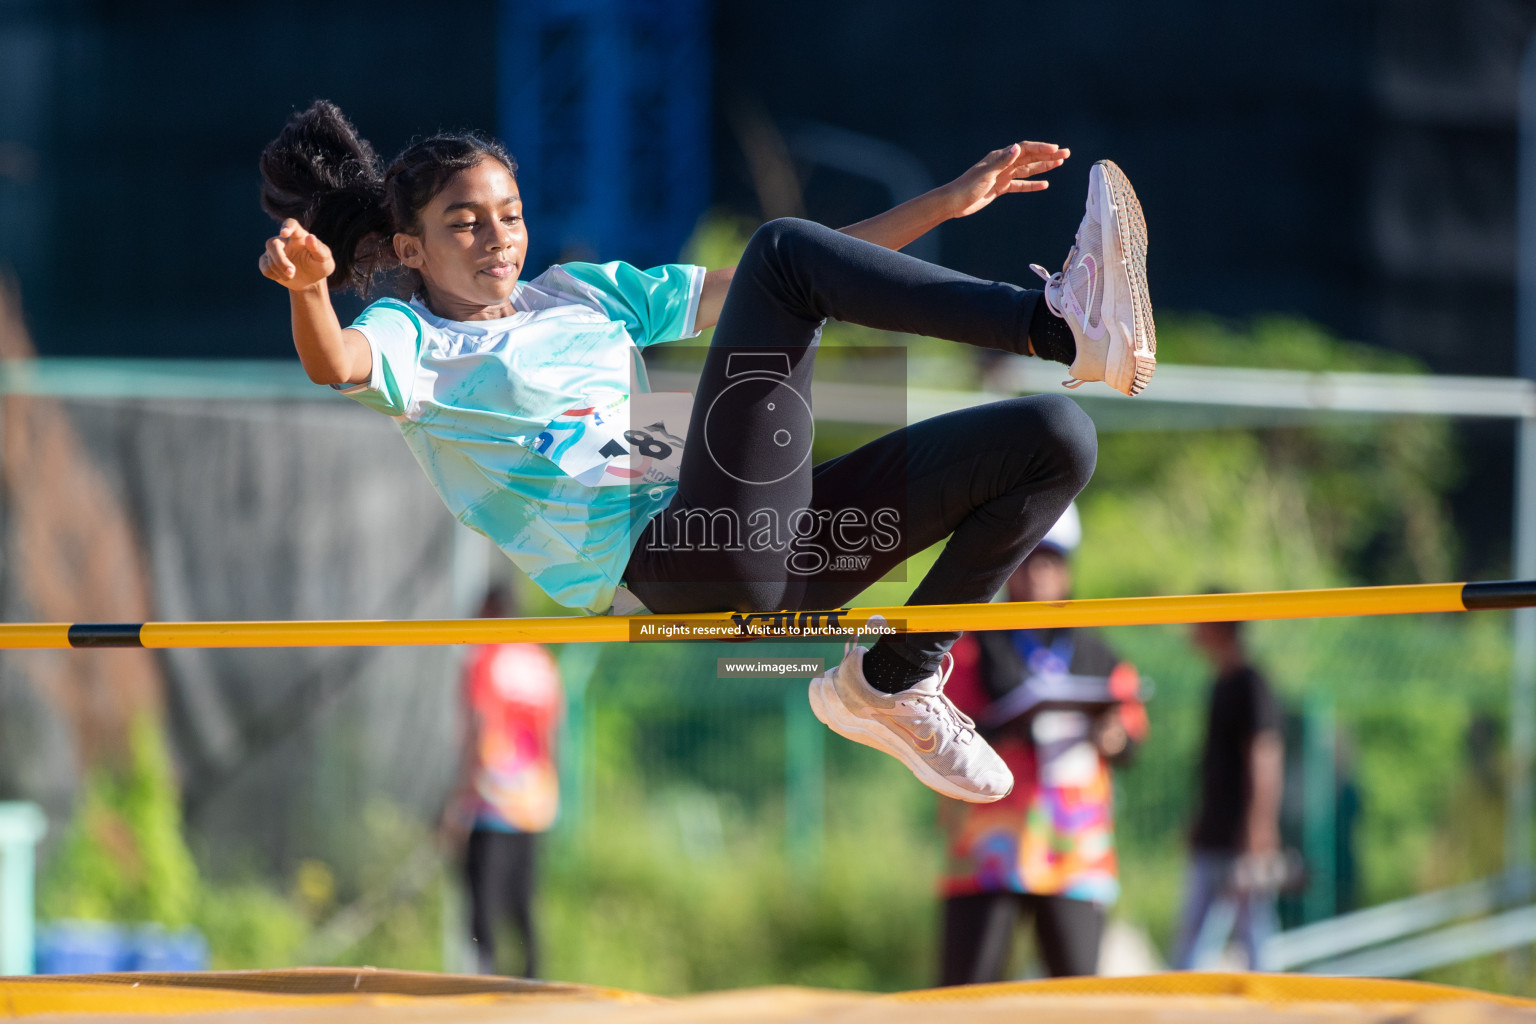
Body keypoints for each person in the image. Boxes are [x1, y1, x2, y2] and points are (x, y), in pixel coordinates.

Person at [257, 101, 1155, 805]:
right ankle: (1054, 327)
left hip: (777, 550)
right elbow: (336, 364)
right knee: (781, 255)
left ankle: (893, 679)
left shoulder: (578, 295)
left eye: (510, 215)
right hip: (673, 559)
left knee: (1052, 439)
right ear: (412, 246)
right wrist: (311, 294)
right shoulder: (411, 337)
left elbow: (799, 274)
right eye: (466, 224)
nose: (498, 240)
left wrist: (947, 204)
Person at [937, 505, 1148, 983]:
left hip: (1074, 849)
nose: (1036, 573)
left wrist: (1115, 737)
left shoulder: (1098, 650)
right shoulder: (974, 643)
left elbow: (1132, 729)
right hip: (987, 849)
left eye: (1049, 560)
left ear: (1067, 569)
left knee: (1075, 996)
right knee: (963, 995)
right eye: (1025, 559)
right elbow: (947, 724)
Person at [440, 584, 564, 977]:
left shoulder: (484, 657)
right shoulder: (541, 661)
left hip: (490, 796)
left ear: (490, 612)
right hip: (533, 796)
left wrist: (458, 799)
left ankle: (487, 986)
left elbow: (479, 728)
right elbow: (553, 736)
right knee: (523, 899)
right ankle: (535, 980)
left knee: (482, 903)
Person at [1172, 617, 1284, 970]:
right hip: (1216, 830)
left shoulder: (1251, 683)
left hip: (1239, 835)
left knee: (1254, 932)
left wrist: (1259, 825)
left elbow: (1265, 754)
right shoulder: (1221, 682)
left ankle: (1269, 1006)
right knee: (1197, 932)